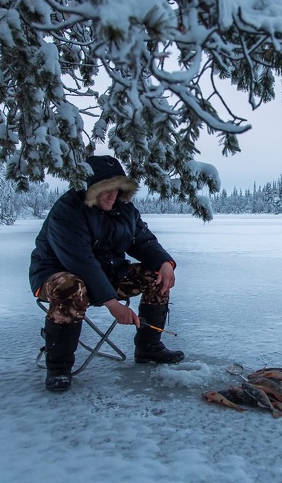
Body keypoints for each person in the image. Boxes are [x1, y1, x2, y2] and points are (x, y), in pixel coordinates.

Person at [29, 155, 184, 392]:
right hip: (57, 276)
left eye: (116, 189)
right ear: (89, 188)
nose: (112, 195)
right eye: (104, 190)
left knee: (155, 275)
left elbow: (143, 241)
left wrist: (164, 262)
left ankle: (148, 348)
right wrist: (112, 303)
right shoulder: (68, 210)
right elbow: (80, 261)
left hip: (108, 275)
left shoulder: (125, 210)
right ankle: (59, 368)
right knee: (72, 286)